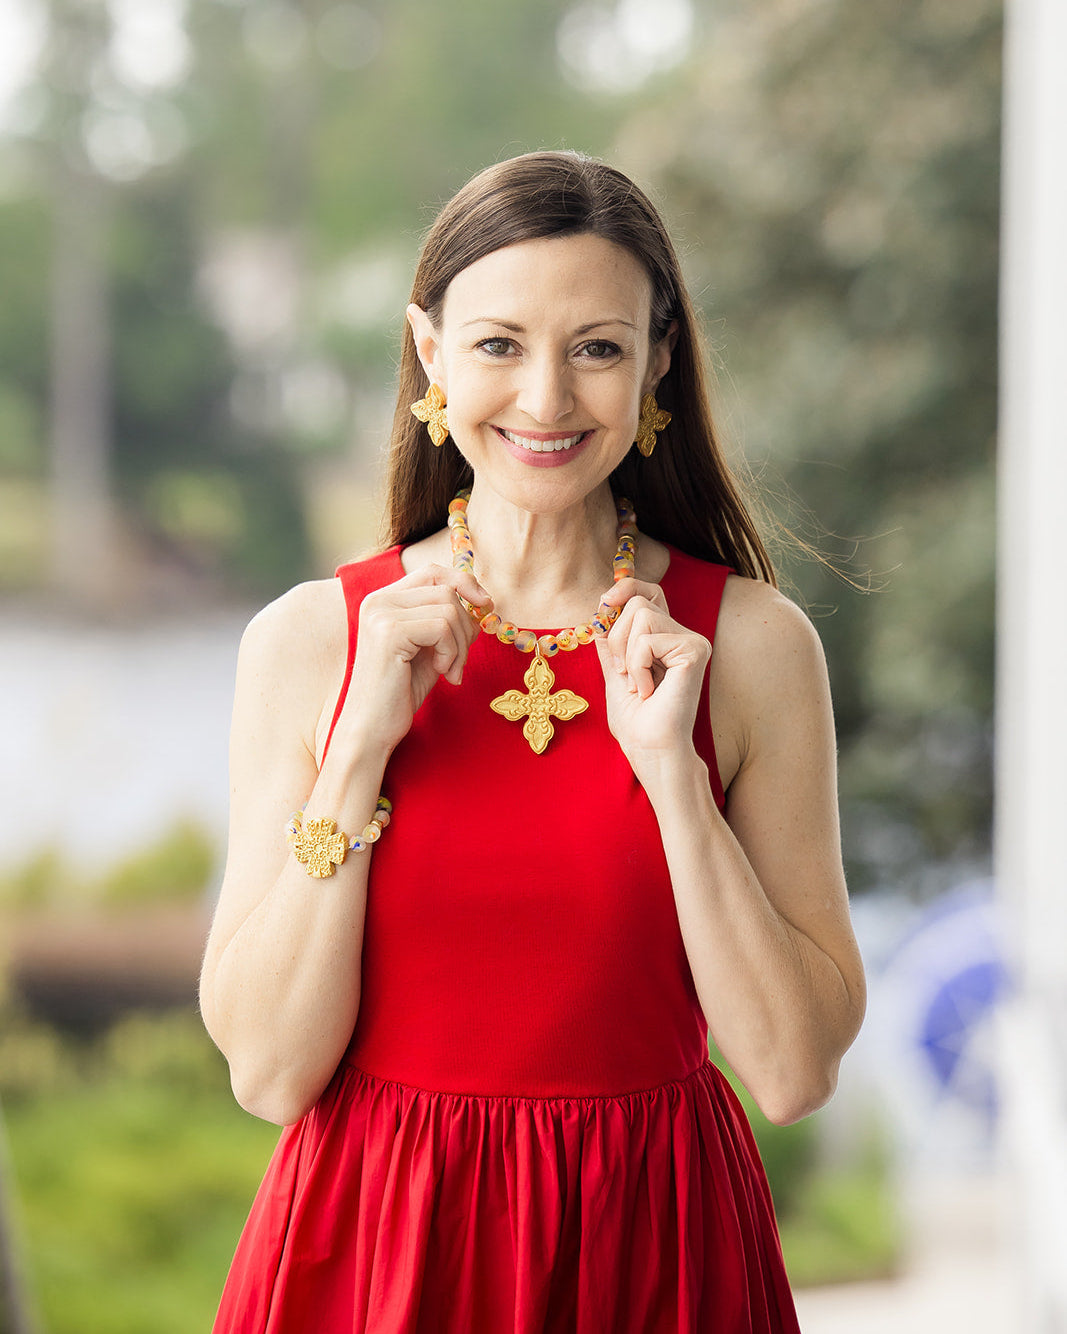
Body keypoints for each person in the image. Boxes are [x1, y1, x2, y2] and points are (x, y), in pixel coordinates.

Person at [200, 149, 866, 1333]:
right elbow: (267, 1073)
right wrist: (358, 748)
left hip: (650, 1253)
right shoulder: (309, 642)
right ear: (428, 352)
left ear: (658, 359)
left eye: (596, 347)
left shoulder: (750, 649)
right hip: (374, 1250)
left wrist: (674, 779)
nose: (546, 399)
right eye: (499, 343)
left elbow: (790, 1069)